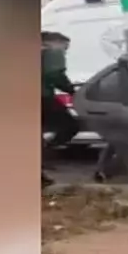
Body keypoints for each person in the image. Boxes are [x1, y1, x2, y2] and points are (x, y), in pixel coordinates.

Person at [41, 31, 80, 184]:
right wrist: (71, 90)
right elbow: (54, 74)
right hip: (42, 96)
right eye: (65, 48)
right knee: (70, 125)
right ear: (55, 42)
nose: (65, 52)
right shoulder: (52, 52)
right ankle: (46, 149)